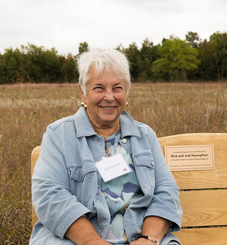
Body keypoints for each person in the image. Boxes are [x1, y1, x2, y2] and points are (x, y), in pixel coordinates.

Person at [30, 49, 183, 245]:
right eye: (99, 88)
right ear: (83, 93)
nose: (109, 97)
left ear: (126, 92)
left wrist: (149, 239)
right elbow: (50, 195)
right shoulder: (59, 135)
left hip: (139, 237)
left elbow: (166, 191)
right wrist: (93, 242)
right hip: (76, 240)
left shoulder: (145, 135)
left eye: (117, 88)